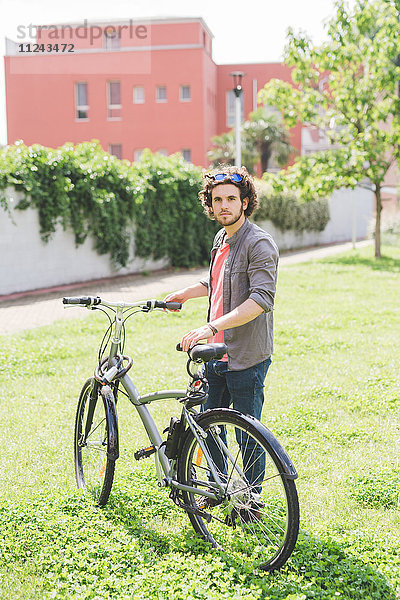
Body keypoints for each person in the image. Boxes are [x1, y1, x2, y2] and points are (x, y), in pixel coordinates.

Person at [164, 165, 279, 427]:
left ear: (245, 202)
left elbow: (260, 301)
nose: (223, 205)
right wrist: (185, 294)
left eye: (231, 199)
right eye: (217, 200)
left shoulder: (259, 243)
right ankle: (219, 472)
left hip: (245, 357)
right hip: (214, 355)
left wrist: (210, 327)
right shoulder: (221, 238)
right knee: (209, 430)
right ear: (210, 204)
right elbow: (217, 281)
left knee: (249, 436)